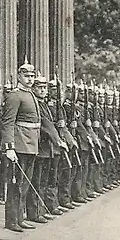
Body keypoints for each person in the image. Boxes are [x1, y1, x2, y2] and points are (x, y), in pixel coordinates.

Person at [1, 57, 40, 232]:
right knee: (16, 184)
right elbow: (8, 123)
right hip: (19, 145)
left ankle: (19, 217)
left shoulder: (31, 94)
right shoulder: (15, 95)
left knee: (24, 184)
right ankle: (11, 221)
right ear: (19, 76)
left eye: (32, 76)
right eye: (26, 76)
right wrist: (9, 147)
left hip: (31, 144)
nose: (30, 79)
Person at [31, 73, 69, 222]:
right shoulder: (37, 104)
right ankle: (36, 212)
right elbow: (46, 124)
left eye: (44, 88)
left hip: (48, 147)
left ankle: (44, 207)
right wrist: (58, 140)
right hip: (40, 146)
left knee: (46, 180)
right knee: (38, 181)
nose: (42, 90)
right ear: (34, 89)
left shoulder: (44, 104)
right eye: (39, 87)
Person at [46, 77, 79, 212]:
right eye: (54, 89)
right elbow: (47, 125)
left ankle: (62, 200)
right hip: (52, 145)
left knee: (63, 172)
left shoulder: (60, 107)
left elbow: (64, 127)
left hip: (61, 144)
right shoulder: (49, 106)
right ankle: (52, 204)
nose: (56, 92)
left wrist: (70, 140)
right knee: (52, 176)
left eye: (58, 90)